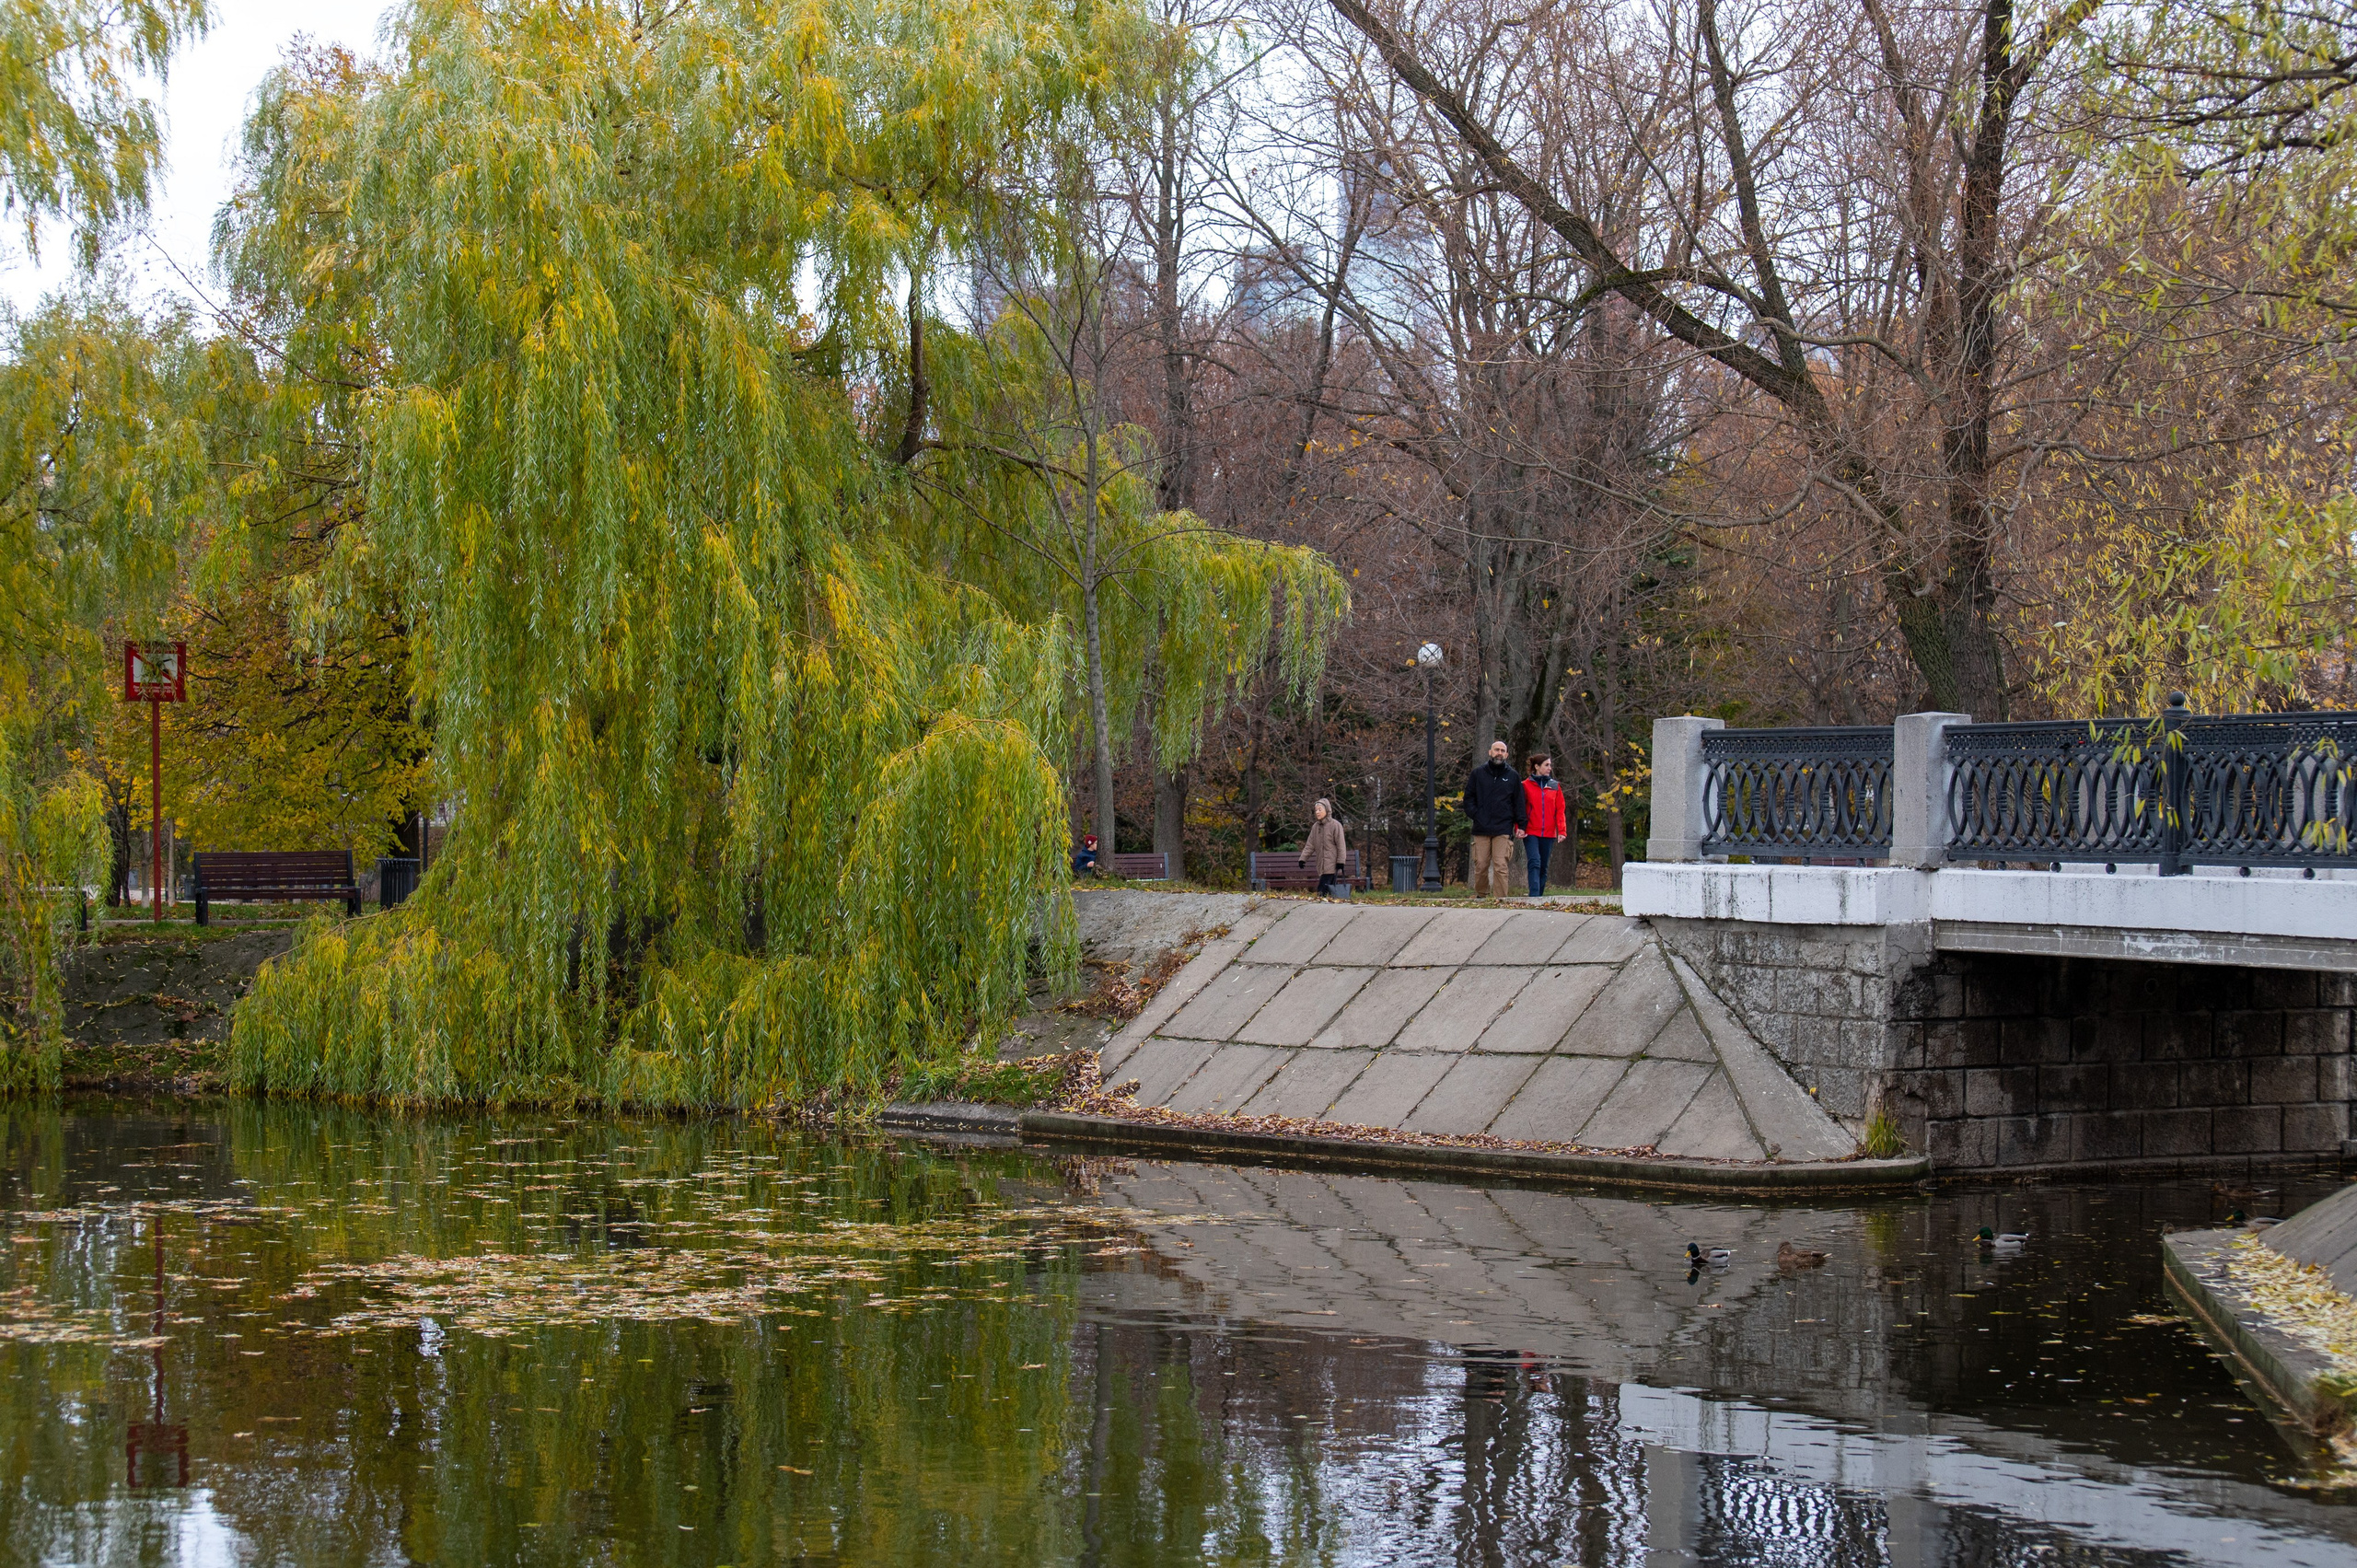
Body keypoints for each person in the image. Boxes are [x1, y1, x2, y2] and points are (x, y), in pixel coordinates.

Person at [1463, 739, 1526, 899]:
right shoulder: (1478, 774)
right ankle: (1481, 896)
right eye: (1496, 750)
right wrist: (1476, 814)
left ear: (1506, 754)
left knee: (1500, 866)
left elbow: (1519, 803)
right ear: (1490, 752)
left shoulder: (1512, 776)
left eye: (1502, 750)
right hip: (1481, 827)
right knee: (1481, 865)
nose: (1499, 753)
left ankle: (1500, 900)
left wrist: (1521, 825)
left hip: (1503, 828)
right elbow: (1468, 798)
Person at [1521, 755, 1569, 898]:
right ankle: (1534, 895)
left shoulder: (1555, 786)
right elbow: (1521, 809)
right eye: (1546, 765)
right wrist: (1520, 827)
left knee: (1543, 866)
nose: (1550, 768)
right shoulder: (1525, 785)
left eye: (1550, 765)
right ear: (1537, 766)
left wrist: (1562, 831)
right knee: (1534, 861)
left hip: (1548, 833)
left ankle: (1539, 896)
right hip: (1531, 832)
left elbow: (1560, 810)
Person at [1299, 797, 1349, 898]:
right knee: (1328, 890)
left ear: (1327, 810)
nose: (1317, 812)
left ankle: (1321, 902)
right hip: (1321, 864)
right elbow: (1310, 844)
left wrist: (1341, 861)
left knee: (1322, 889)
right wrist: (1303, 859)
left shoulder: (1335, 825)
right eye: (1316, 810)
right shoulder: (1315, 827)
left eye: (1320, 810)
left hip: (1332, 863)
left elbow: (1341, 845)